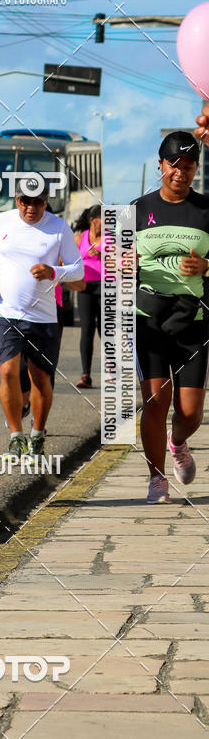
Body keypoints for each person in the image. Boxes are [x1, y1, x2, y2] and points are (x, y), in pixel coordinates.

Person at [0, 178, 84, 461]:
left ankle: (38, 434)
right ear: (16, 198)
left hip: (44, 317)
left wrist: (53, 272)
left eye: (38, 202)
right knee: (8, 372)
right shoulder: (1, 222)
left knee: (40, 379)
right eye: (25, 201)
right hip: (5, 312)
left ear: (46, 201)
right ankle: (15, 437)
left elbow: (78, 269)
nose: (31, 207)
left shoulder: (58, 228)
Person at [132, 131, 209, 504]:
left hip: (192, 321)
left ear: (196, 169)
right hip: (148, 320)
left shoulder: (206, 210)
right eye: (173, 166)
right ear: (161, 164)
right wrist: (122, 264)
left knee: (190, 412)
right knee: (155, 402)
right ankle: (156, 479)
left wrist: (207, 265)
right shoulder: (135, 209)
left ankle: (177, 441)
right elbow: (113, 267)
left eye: (188, 167)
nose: (180, 173)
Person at [72, 204, 104, 388]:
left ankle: (113, 372)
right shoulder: (79, 239)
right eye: (103, 219)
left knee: (105, 331)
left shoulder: (111, 239)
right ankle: (86, 376)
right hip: (85, 288)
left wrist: (102, 252)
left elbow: (122, 258)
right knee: (87, 329)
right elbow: (69, 260)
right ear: (93, 220)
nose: (107, 224)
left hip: (107, 287)